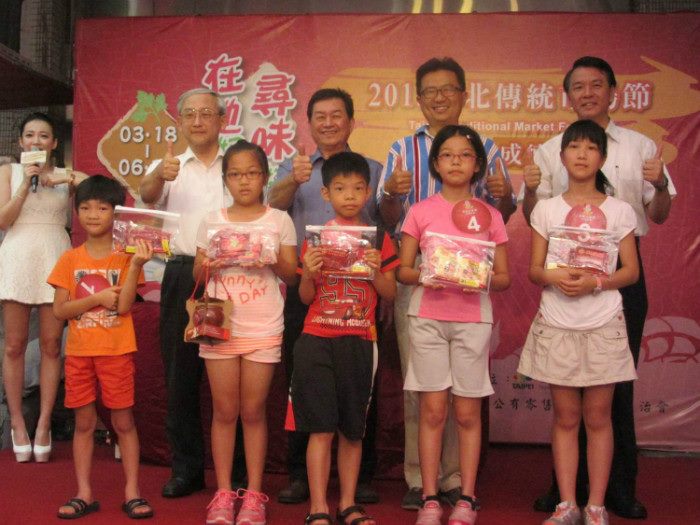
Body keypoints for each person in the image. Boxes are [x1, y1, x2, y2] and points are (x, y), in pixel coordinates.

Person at [521, 56, 675, 520]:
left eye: (596, 85)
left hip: (617, 276)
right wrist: (529, 191)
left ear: (613, 91)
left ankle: (615, 492)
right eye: (578, 87)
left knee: (613, 393)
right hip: (561, 276)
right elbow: (537, 215)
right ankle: (565, 493)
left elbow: (659, 213)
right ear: (567, 95)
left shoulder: (641, 146)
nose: (587, 93)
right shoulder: (550, 149)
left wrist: (660, 184)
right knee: (566, 399)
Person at [376, 57, 516, 510]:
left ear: (463, 94)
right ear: (419, 98)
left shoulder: (486, 147)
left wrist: (508, 195)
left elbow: (501, 214)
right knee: (423, 390)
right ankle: (422, 479)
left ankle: (457, 479)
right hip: (421, 280)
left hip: (471, 290)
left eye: (448, 89)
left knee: (464, 396)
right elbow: (387, 217)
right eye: (430, 91)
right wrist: (392, 194)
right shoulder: (401, 149)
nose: (439, 97)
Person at [518, 120, 640, 525]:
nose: (582, 154)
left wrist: (595, 282)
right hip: (558, 320)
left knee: (599, 418)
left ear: (602, 157)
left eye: (591, 147)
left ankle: (596, 506)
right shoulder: (547, 209)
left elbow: (631, 272)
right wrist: (556, 276)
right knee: (566, 418)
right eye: (574, 147)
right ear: (562, 156)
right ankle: (567, 504)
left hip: (603, 321)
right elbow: (535, 270)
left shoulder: (619, 210)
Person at [268, 88, 382, 505]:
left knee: (360, 388)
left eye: (337, 115)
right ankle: (300, 476)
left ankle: (360, 479)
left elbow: (388, 220)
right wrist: (292, 180)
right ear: (310, 123)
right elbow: (273, 204)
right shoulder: (294, 166)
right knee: (303, 386)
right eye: (321, 116)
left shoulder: (373, 168)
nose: (329, 122)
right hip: (308, 287)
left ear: (351, 121)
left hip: (359, 296)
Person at [398, 125, 510, 525]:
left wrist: (476, 277)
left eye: (464, 155)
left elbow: (504, 278)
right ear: (436, 163)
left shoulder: (491, 215)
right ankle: (429, 497)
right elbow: (403, 271)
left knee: (466, 412)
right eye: (447, 155)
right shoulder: (420, 211)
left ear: (477, 164)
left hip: (472, 320)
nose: (455, 162)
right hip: (427, 318)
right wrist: (427, 274)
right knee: (431, 411)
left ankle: (466, 497)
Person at [288, 151, 398, 525]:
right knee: (320, 429)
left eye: (357, 188)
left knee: (353, 430)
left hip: (360, 339)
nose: (349, 195)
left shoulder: (378, 239)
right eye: (340, 188)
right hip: (316, 338)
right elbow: (306, 297)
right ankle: (318, 505)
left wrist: (375, 273)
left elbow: (391, 293)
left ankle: (348, 503)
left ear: (368, 193)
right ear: (326, 194)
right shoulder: (316, 240)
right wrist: (308, 273)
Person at [193, 141, 298, 525]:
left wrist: (269, 256)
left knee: (253, 412)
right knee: (224, 411)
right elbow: (197, 275)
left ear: (265, 177)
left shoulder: (279, 220)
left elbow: (291, 275)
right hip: (218, 326)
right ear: (225, 180)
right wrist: (211, 259)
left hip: (263, 325)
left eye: (252, 173)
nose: (244, 181)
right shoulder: (212, 220)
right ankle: (223, 493)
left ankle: (253, 494)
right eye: (235, 174)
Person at [140, 87, 232, 498]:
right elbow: (146, 194)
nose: (197, 121)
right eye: (190, 114)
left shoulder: (238, 164)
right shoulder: (169, 165)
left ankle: (237, 472)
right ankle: (187, 470)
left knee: (232, 375)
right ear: (179, 121)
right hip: (182, 274)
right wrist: (160, 174)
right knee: (181, 377)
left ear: (222, 120)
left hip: (231, 274)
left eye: (206, 113)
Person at [48, 175, 154, 520]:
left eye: (102, 208)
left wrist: (136, 265)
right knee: (83, 423)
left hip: (116, 352)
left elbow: (123, 307)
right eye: (85, 207)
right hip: (79, 354)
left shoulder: (125, 257)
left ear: (116, 213)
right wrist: (95, 298)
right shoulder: (69, 259)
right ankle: (83, 492)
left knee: (123, 422)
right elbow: (60, 310)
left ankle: (132, 492)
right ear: (76, 211)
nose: (93, 214)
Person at [0, 112, 87, 463]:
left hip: (55, 256)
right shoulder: (8, 172)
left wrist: (63, 177)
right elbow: (3, 220)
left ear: (54, 143)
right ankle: (17, 423)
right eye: (30, 135)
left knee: (52, 345)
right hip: (18, 256)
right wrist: (26, 183)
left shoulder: (65, 176)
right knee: (14, 345)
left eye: (44, 136)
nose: (36, 140)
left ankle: (44, 423)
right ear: (21, 142)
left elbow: (99, 188)